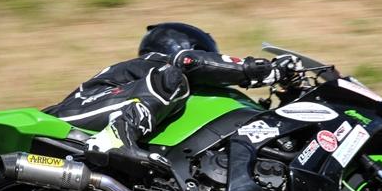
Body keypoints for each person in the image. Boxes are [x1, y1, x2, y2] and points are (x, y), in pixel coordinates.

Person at [42, 22, 301, 166]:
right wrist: (262, 70)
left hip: (97, 120)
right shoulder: (163, 65)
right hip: (78, 112)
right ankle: (118, 136)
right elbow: (189, 62)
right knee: (175, 77)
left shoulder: (162, 98)